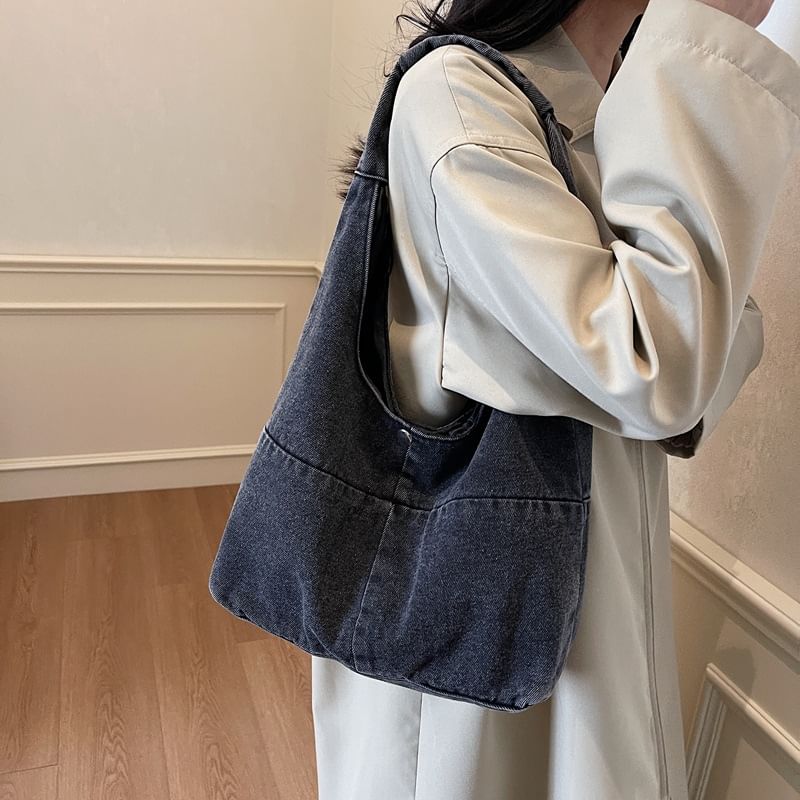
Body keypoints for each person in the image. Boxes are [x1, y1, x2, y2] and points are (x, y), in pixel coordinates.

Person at [311, 0, 799, 797]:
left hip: (579, 597)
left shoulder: (615, 106)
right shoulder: (460, 95)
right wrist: (705, 37)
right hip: (478, 618)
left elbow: (696, 352)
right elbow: (660, 365)